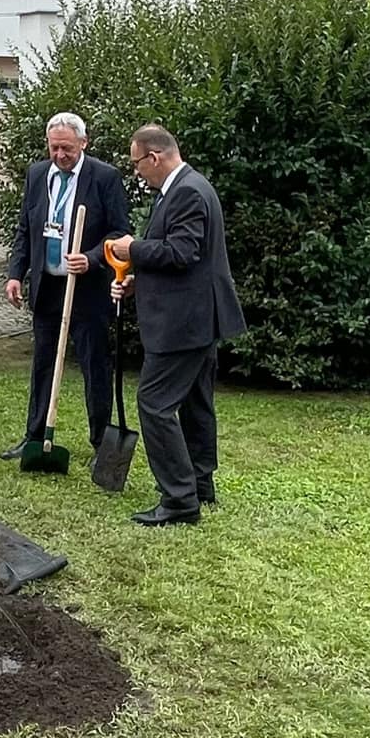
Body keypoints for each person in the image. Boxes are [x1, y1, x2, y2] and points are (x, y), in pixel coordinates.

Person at [106, 124, 245, 527]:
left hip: (183, 322)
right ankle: (200, 483)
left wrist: (132, 249)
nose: (137, 173)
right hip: (197, 316)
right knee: (197, 402)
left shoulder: (186, 191)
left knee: (155, 403)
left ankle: (180, 499)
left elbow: (182, 252)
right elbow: (189, 259)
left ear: (154, 157)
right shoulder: (189, 186)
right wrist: (139, 281)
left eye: (137, 164)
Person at [1, 112, 130, 459]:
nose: (60, 155)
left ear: (83, 143)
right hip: (49, 287)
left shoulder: (104, 177)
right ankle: (34, 436)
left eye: (67, 148)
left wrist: (92, 257)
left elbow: (120, 231)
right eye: (54, 147)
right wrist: (16, 273)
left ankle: (101, 442)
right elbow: (26, 229)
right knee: (43, 364)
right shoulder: (38, 174)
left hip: (88, 289)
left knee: (94, 365)